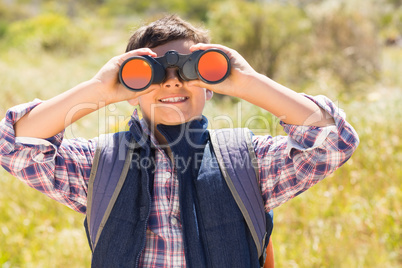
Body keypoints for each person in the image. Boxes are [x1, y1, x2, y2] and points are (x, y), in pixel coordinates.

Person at [0, 15, 359, 267]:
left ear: (211, 86)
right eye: (150, 74)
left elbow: (331, 142)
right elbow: (15, 147)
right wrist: (98, 90)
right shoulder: (101, 164)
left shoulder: (247, 161)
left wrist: (247, 82)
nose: (172, 83)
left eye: (189, 71)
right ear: (130, 90)